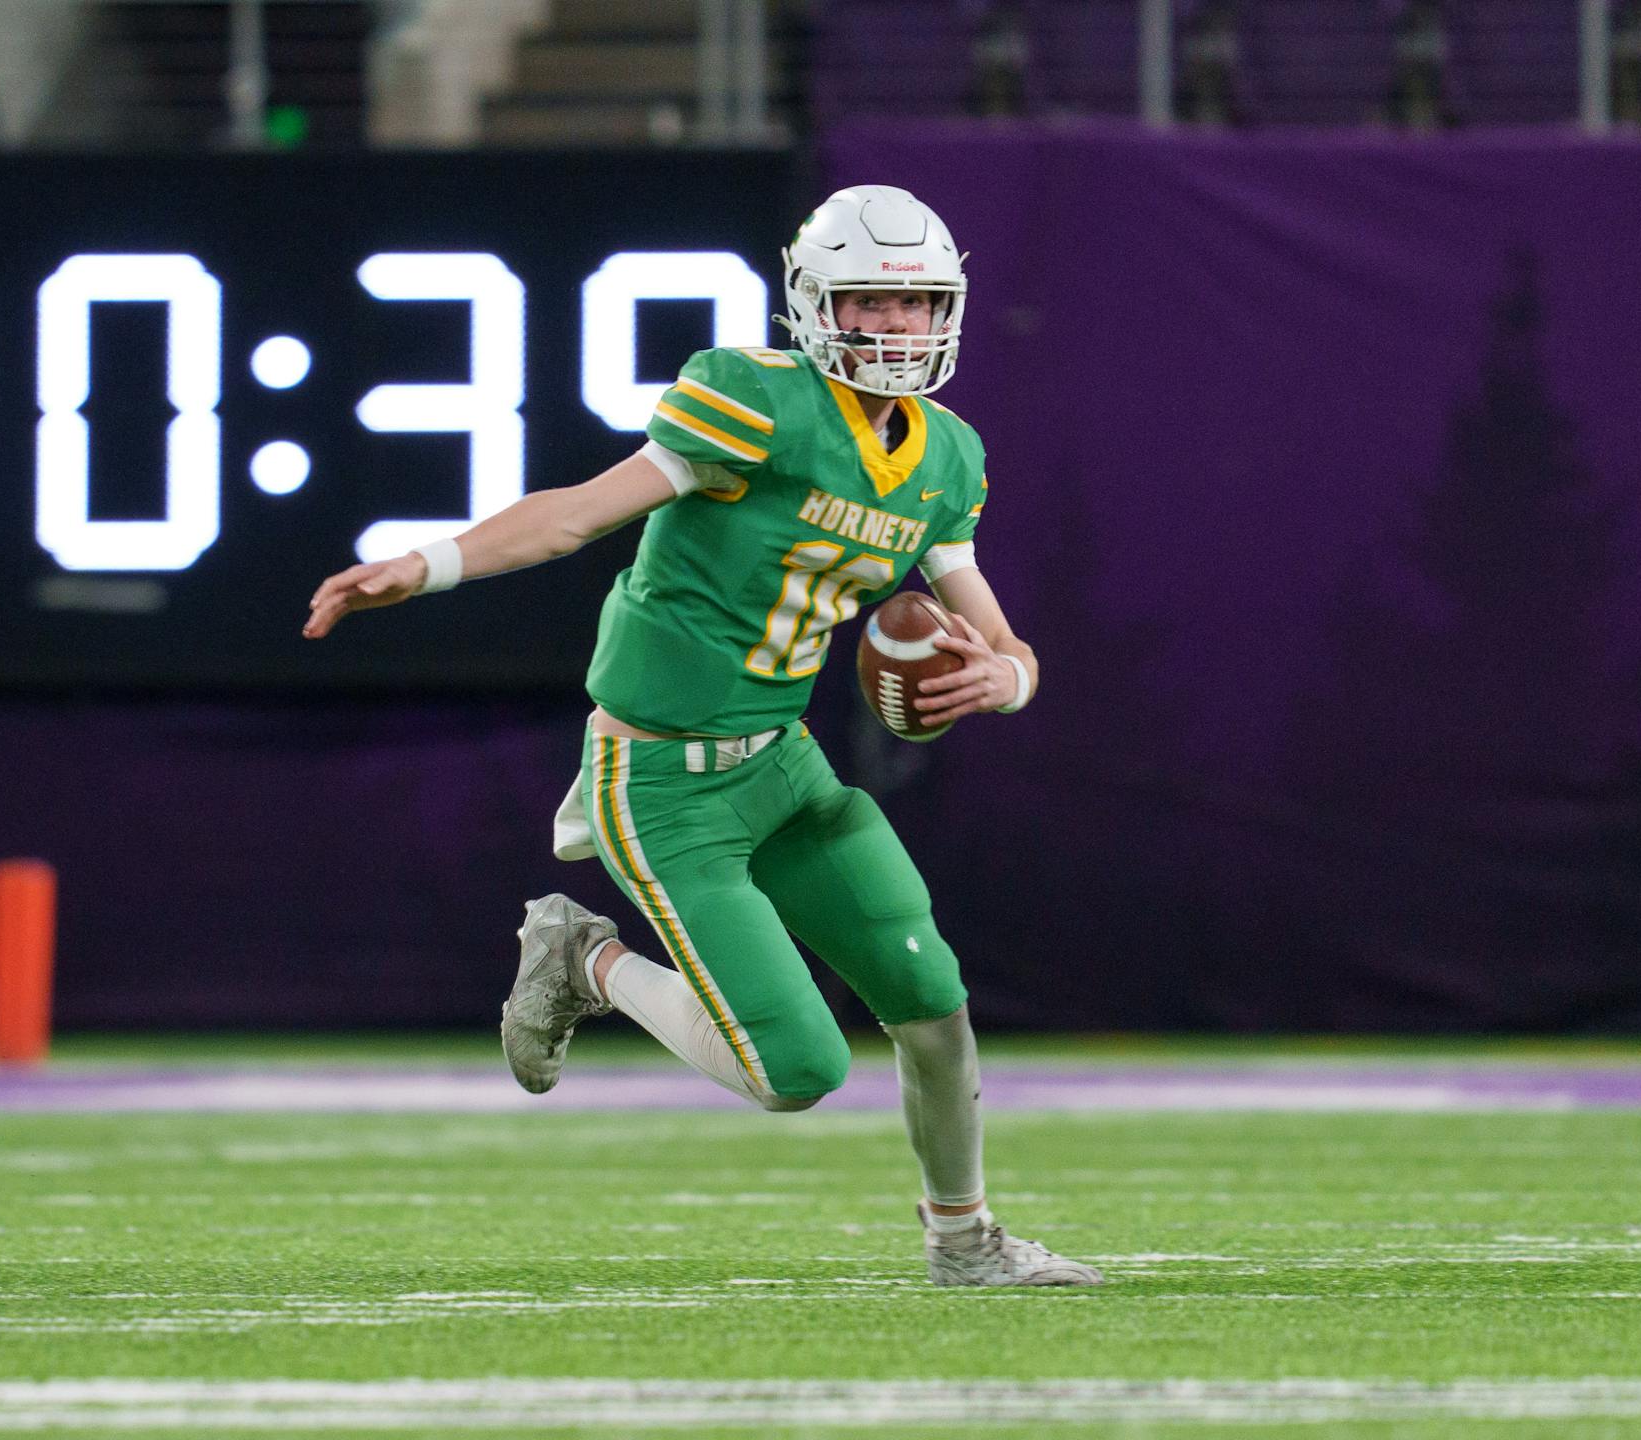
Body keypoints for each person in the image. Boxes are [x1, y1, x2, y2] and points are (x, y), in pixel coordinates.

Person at [305, 185, 1102, 1289]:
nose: (895, 327)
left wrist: (1003, 680)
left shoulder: (948, 455)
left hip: (784, 766)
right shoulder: (754, 400)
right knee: (795, 1069)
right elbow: (578, 513)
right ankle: (581, 957)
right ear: (818, 303)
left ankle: (964, 1241)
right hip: (662, 778)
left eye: (916, 304)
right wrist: (429, 561)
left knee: (934, 1007)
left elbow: (998, 636)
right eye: (870, 300)